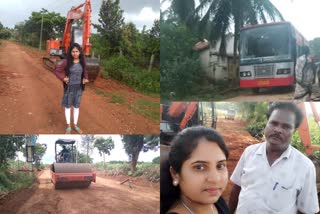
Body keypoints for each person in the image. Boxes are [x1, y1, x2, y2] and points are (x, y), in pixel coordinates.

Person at [229, 102, 319, 213]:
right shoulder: (250, 152)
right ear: (266, 124)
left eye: (286, 126)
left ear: (294, 131)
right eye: (273, 123)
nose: (277, 130)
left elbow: (307, 210)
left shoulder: (305, 166)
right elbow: (237, 187)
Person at [161, 126, 231, 214]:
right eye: (199, 167)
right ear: (175, 174)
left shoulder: (219, 203)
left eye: (220, 166)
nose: (215, 179)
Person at [55, 43, 89, 134]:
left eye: (76, 51)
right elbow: (57, 71)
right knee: (68, 107)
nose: (75, 53)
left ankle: (75, 125)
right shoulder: (66, 62)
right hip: (69, 88)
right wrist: (63, 78)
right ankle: (69, 126)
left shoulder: (82, 61)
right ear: (70, 52)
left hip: (79, 88)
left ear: (79, 52)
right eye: (73, 51)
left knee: (76, 107)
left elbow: (85, 70)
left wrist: (85, 78)